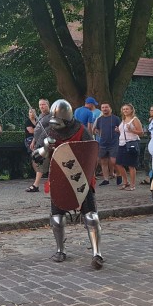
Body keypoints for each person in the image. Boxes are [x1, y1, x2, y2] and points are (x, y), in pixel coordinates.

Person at [33, 99, 104, 269]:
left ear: (68, 118)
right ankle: (60, 249)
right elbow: (35, 157)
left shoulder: (80, 130)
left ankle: (97, 253)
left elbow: (91, 154)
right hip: (59, 180)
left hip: (81, 179)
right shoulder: (48, 131)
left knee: (91, 217)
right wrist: (44, 147)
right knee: (57, 218)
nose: (56, 126)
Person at [115, 103, 143, 190]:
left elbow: (141, 132)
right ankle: (125, 181)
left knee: (131, 165)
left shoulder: (135, 119)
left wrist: (132, 130)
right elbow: (124, 132)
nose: (125, 111)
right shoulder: (123, 120)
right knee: (119, 163)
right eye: (123, 109)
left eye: (127, 109)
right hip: (122, 144)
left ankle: (133, 185)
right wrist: (118, 130)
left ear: (131, 110)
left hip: (132, 143)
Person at [93, 102, 122, 186]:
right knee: (103, 162)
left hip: (114, 142)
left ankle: (119, 174)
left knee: (113, 161)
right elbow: (97, 129)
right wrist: (97, 132)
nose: (104, 109)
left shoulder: (116, 118)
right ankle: (106, 179)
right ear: (101, 109)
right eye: (103, 107)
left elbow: (121, 130)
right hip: (103, 143)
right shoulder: (99, 119)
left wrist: (118, 131)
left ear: (110, 109)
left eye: (106, 107)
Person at [26, 99, 51, 192]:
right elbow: (37, 130)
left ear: (48, 105)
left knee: (41, 162)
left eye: (43, 104)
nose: (41, 106)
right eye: (40, 105)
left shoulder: (51, 116)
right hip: (38, 143)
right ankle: (38, 184)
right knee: (38, 162)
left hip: (46, 143)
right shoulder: (40, 116)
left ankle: (36, 185)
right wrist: (33, 141)